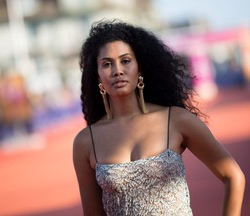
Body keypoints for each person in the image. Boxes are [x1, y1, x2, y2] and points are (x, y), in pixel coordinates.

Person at [73, 20, 245, 216]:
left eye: (126, 60)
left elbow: (233, 176)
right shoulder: (86, 142)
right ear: (97, 76)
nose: (117, 70)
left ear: (140, 68)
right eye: (106, 64)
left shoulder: (176, 120)